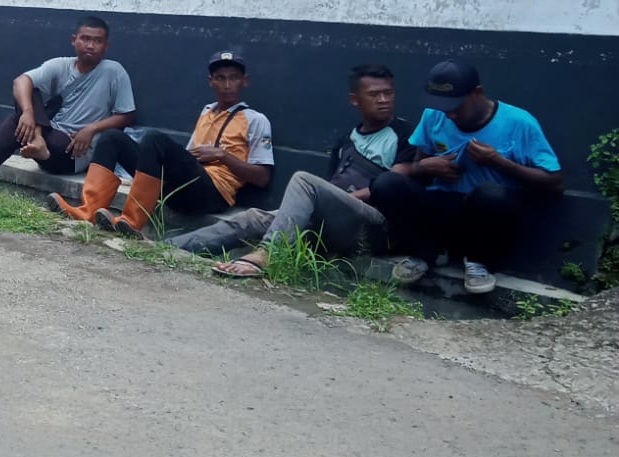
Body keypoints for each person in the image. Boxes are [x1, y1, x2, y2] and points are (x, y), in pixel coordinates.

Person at [202, 64, 425, 282]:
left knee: (304, 181)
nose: (383, 100)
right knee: (250, 219)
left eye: (388, 93)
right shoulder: (346, 141)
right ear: (354, 99)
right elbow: (332, 186)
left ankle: (268, 253)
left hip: (373, 226)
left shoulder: (406, 134)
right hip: (333, 221)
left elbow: (395, 183)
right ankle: (176, 247)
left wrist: (328, 200)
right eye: (374, 94)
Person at [369, 59, 561, 294]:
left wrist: (499, 162)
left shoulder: (519, 123)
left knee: (491, 195)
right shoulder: (434, 115)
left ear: (477, 93)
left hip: (485, 218)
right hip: (440, 206)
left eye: (456, 106)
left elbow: (555, 183)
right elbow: (417, 167)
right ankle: (424, 253)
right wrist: (425, 167)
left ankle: (479, 263)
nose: (449, 114)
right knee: (387, 184)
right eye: (443, 107)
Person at [59, 49, 272, 234]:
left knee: (154, 139)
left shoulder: (255, 119)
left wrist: (222, 156)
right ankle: (88, 211)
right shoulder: (207, 112)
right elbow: (187, 160)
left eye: (233, 78)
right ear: (211, 81)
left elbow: (262, 178)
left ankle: (131, 222)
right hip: (183, 188)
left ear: (245, 81)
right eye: (220, 78)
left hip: (213, 194)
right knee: (112, 137)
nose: (227, 85)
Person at [0, 16, 134, 184]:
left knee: (17, 117)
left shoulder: (113, 71)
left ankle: (36, 145)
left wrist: (91, 129)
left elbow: (126, 115)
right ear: (74, 40)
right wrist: (28, 114)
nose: (90, 45)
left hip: (72, 152)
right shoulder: (62, 65)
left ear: (106, 45)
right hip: (46, 139)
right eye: (85, 38)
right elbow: (20, 81)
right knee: (25, 98)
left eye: (97, 41)